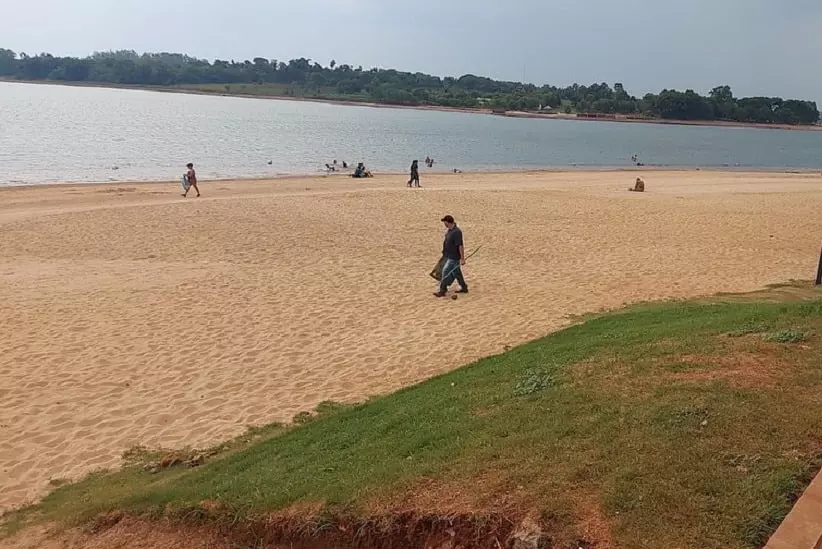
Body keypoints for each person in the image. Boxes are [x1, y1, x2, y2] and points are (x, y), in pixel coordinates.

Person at [434, 215, 468, 297]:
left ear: (448, 222)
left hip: (454, 257)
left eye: (445, 222)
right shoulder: (450, 230)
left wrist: (462, 258)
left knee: (445, 272)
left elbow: (460, 246)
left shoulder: (457, 232)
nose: (444, 224)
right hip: (448, 256)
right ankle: (464, 287)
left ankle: (442, 290)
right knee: (457, 273)